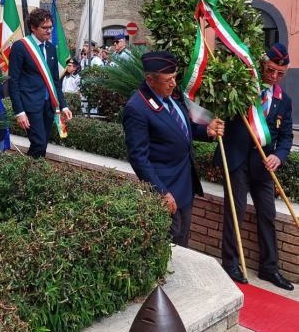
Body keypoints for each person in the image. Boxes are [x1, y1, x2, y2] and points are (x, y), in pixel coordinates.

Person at [122, 51, 224, 247]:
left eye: (174, 78)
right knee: (169, 247)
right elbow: (138, 158)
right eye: (167, 80)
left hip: (185, 184)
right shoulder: (137, 108)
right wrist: (161, 192)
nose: (173, 84)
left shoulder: (170, 97)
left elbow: (183, 130)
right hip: (166, 189)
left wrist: (207, 131)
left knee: (182, 241)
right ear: (150, 80)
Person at [214, 43, 294, 290]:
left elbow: (287, 137)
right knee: (234, 213)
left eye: (280, 73)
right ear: (262, 65)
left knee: (268, 216)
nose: (274, 77)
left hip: (264, 167)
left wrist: (278, 157)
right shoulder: (243, 90)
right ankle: (231, 263)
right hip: (237, 161)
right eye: (270, 70)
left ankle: (269, 268)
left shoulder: (284, 101)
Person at [8, 7, 72, 158]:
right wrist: (19, 112)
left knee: (42, 144)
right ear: (33, 28)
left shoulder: (51, 48)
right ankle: (29, 175)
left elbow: (55, 81)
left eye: (51, 28)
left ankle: (32, 173)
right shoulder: (21, 47)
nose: (49, 31)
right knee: (38, 143)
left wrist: (64, 105)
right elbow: (13, 82)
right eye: (45, 28)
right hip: (30, 105)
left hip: (49, 105)